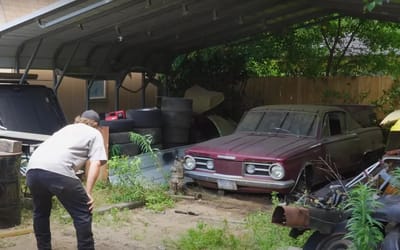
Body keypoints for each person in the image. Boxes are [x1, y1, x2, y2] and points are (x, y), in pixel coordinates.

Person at [26, 110, 108, 250]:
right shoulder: (94, 133)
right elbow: (96, 163)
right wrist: (88, 192)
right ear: (95, 124)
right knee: (83, 212)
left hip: (33, 170)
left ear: (80, 120)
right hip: (58, 170)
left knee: (41, 212)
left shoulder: (65, 129)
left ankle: (43, 247)